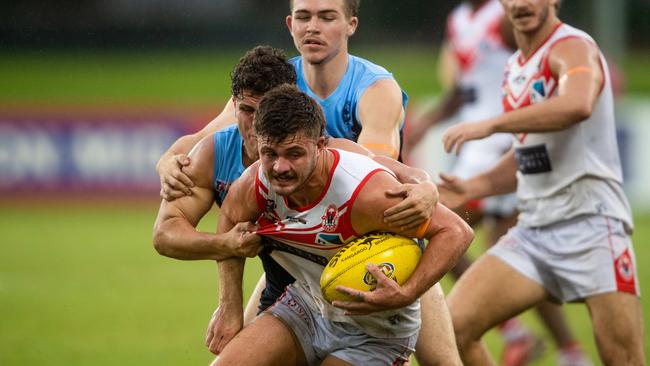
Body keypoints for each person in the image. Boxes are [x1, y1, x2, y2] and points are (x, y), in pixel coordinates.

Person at [156, 1, 464, 364]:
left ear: (351, 24)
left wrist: (422, 180)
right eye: (304, 16)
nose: (312, 27)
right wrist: (165, 162)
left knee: (442, 362)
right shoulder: (269, 85)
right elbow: (205, 138)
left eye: (326, 17)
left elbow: (368, 169)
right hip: (300, 261)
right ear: (290, 24)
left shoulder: (374, 90)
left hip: (373, 246)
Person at [439, 0, 645, 364]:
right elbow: (529, 154)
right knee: (454, 327)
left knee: (623, 358)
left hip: (593, 228)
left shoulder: (573, 46)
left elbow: (577, 104)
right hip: (534, 232)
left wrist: (492, 124)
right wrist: (473, 187)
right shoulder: (514, 67)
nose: (521, 3)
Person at [212, 84, 473, 365]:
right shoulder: (256, 184)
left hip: (377, 331)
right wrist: (229, 305)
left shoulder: (366, 193)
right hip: (307, 308)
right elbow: (228, 218)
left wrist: (406, 295)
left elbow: (456, 231)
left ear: (322, 145)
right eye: (270, 154)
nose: (280, 167)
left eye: (294, 154)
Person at [405, 1, 591, 364]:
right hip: (475, 142)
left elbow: (539, 58)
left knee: (436, 227)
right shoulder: (458, 19)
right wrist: (429, 121)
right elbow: (466, 87)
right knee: (508, 250)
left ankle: (525, 334)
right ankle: (563, 349)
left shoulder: (506, 14)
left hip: (503, 142)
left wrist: (521, 126)